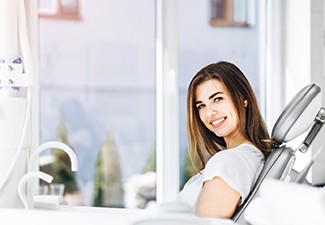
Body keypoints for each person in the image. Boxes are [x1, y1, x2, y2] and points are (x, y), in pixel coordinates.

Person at [175, 61, 275, 219]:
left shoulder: (230, 161)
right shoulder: (241, 157)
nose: (209, 113)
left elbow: (206, 224)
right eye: (201, 106)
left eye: (217, 99)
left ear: (243, 99)